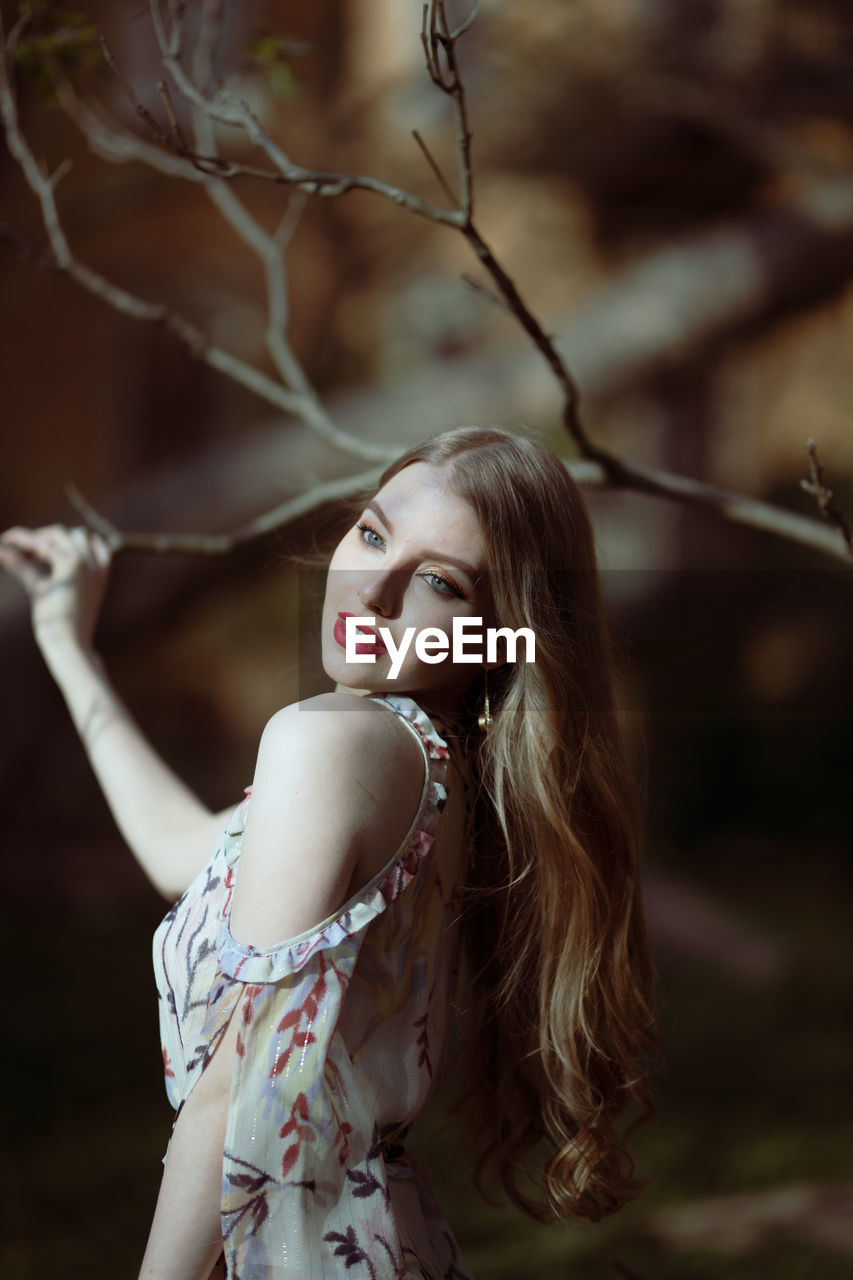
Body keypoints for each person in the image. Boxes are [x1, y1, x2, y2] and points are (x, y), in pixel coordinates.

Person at [0, 425, 657, 1280]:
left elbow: (237, 1085)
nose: (371, 589)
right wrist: (70, 647)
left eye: (437, 581)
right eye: (373, 532)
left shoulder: (335, 742)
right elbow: (184, 855)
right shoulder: (439, 765)